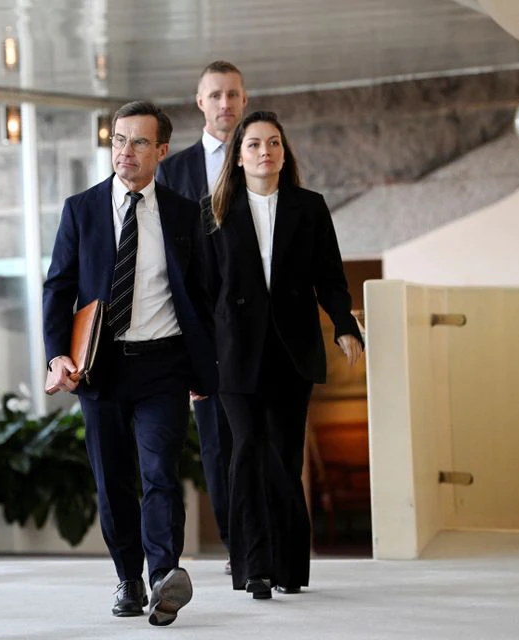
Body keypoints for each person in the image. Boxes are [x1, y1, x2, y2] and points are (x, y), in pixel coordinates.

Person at [43, 101, 216, 626]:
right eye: (119, 140)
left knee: (161, 472)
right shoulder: (82, 209)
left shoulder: (186, 214)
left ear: (161, 150)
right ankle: (128, 578)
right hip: (100, 368)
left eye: (140, 142)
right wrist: (56, 355)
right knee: (112, 478)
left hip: (162, 363)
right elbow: (59, 288)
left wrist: (204, 370)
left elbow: (203, 296)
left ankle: (166, 576)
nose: (126, 151)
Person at [201, 110, 363, 600]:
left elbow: (330, 278)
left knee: (283, 458)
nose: (264, 152)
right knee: (246, 450)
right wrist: (199, 357)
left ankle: (289, 566)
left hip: (291, 352)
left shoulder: (309, 207)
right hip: (235, 355)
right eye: (253, 144)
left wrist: (345, 327)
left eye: (273, 143)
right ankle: (253, 567)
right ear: (239, 155)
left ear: (284, 152)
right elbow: (203, 290)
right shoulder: (214, 210)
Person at [156, 60, 248, 574]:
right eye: (215, 95)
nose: (225, 104)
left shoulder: (263, 157)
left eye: (233, 94)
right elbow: (170, 263)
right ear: (200, 102)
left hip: (257, 329)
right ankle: (240, 554)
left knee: (263, 441)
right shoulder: (175, 171)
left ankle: (267, 547)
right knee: (217, 446)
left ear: (245, 98)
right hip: (204, 335)